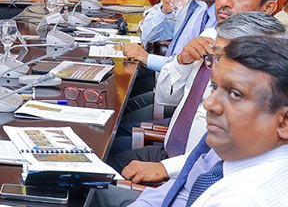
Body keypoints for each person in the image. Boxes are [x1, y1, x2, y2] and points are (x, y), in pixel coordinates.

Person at [89, 36, 288, 207]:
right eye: (214, 87)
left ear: (284, 122)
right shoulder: (238, 151)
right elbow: (183, 183)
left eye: (235, 94)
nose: (209, 104)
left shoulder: (242, 206)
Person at [110, 12, 285, 181]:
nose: (209, 103)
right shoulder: (209, 41)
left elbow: (220, 165)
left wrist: (167, 168)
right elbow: (165, 98)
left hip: (190, 172)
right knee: (104, 158)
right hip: (173, 153)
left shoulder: (265, 97)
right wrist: (181, 61)